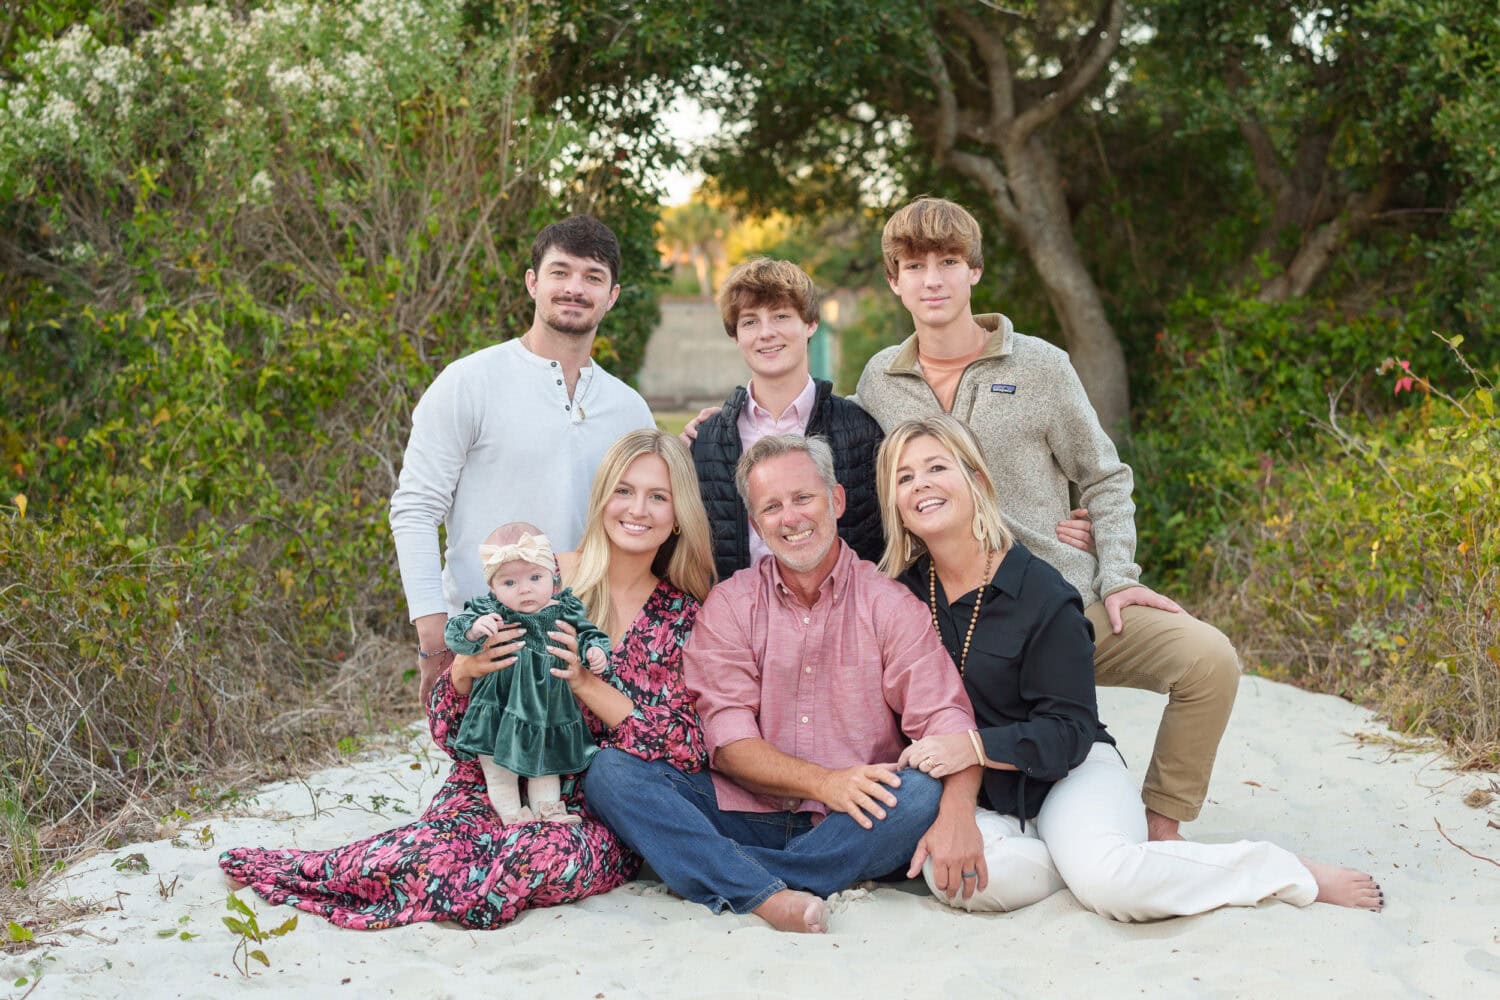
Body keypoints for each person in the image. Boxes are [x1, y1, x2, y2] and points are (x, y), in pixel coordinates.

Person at [877, 413, 1383, 919]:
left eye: (937, 467)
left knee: (1115, 885)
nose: (921, 484)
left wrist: (971, 746)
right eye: (904, 477)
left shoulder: (1042, 593)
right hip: (989, 801)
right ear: (895, 504)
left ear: (976, 480)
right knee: (959, 880)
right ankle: (1080, 863)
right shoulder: (900, 595)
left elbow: (1070, 731)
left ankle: (1282, 870)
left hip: (1069, 775)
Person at [220, 430, 716, 929]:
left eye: (659, 496)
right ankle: (320, 876)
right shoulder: (536, 578)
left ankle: (452, 890)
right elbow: (447, 731)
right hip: (493, 781)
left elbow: (685, 747)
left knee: (532, 860)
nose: (637, 509)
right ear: (602, 496)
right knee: (432, 853)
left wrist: (587, 684)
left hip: (589, 812)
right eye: (624, 490)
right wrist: (462, 674)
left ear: (679, 516)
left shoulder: (680, 615)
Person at [856, 196, 1239, 841]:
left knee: (1209, 661)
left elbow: (1104, 475)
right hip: (950, 619)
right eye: (914, 265)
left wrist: (1117, 573)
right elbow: (850, 463)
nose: (933, 279)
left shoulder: (1038, 365)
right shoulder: (879, 380)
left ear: (973, 271)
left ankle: (1161, 827)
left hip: (1061, 599)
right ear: (894, 281)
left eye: (948, 261)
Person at [584, 434, 984, 934]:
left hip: (852, 818)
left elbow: (949, 724)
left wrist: (959, 812)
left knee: (921, 792)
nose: (790, 518)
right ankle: (775, 881)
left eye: (802, 498)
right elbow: (729, 748)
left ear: (835, 500)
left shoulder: (890, 605)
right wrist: (825, 783)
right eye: (771, 507)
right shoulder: (730, 605)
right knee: (610, 772)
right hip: (740, 809)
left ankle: (731, 874)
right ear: (755, 523)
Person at [390, 216, 655, 706]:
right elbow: (415, 510)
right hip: (490, 649)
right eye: (560, 272)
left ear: (612, 295)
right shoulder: (468, 382)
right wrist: (434, 639)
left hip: (587, 650)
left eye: (592, 277)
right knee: (490, 783)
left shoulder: (629, 408)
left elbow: (648, 521)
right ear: (533, 282)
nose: (575, 288)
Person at [688, 257, 884, 578]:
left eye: (780, 316)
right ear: (735, 335)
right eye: (750, 322)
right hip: (738, 622)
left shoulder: (860, 432)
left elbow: (880, 545)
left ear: (810, 324)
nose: (766, 333)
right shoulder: (708, 441)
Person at [445, 523, 610, 825]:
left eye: (536, 577)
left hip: (547, 704)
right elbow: (453, 635)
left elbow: (590, 633)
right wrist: (473, 630)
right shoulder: (491, 610)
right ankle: (511, 815)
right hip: (500, 704)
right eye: (509, 583)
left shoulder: (564, 609)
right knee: (498, 767)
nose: (525, 589)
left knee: (546, 762)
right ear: (493, 588)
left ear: (554, 579)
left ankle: (548, 810)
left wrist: (595, 651)